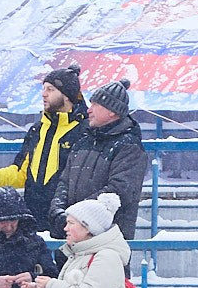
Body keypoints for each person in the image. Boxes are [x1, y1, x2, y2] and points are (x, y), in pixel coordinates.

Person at [27, 195, 133, 288]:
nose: (65, 228)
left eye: (71, 223)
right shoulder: (77, 256)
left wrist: (50, 286)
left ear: (88, 227)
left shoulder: (107, 257)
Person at [0, 66, 84, 232]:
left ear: (67, 95)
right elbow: (21, 173)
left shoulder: (84, 131)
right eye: (43, 89)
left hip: (68, 222)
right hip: (33, 219)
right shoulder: (37, 130)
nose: (44, 94)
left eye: (50, 89)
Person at [61, 79, 149, 240]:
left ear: (112, 112)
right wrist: (59, 210)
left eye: (95, 105)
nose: (89, 110)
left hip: (108, 237)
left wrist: (76, 214)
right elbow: (64, 182)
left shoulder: (129, 147)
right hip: (76, 234)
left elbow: (119, 190)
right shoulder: (83, 142)